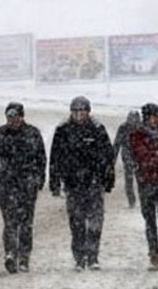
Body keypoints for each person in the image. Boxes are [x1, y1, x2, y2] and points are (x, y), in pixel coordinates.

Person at [49, 96, 115, 271]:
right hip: (73, 183)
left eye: (82, 112)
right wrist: (54, 181)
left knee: (95, 222)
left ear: (88, 112)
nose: (79, 115)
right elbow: (55, 158)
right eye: (76, 112)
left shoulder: (97, 129)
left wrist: (108, 179)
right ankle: (79, 257)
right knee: (76, 222)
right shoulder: (63, 130)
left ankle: (93, 256)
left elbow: (108, 156)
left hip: (94, 182)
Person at [0, 102, 46, 273]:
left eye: (16, 117)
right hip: (6, 184)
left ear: (22, 117)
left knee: (26, 223)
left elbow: (41, 158)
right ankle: (10, 253)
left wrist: (39, 179)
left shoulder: (33, 134)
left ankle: (24, 257)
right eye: (9, 117)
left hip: (27, 184)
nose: (13, 121)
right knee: (10, 222)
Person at [129, 103, 158, 271]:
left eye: (157, 117)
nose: (155, 120)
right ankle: (154, 254)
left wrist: (156, 155)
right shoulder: (137, 134)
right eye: (152, 117)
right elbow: (139, 153)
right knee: (150, 222)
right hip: (146, 181)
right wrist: (157, 155)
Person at [113, 111, 141, 208]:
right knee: (129, 180)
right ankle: (131, 201)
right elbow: (117, 144)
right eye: (130, 118)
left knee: (141, 180)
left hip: (140, 157)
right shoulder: (123, 128)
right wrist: (113, 160)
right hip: (127, 156)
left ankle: (143, 200)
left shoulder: (142, 128)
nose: (132, 121)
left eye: (134, 119)